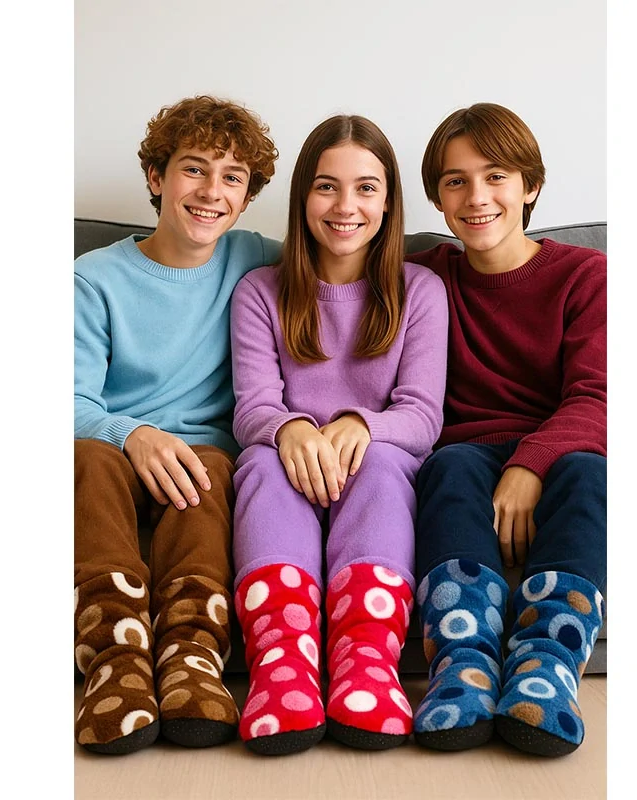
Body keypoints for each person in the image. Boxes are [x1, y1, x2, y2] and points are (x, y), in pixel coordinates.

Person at [229, 114, 449, 756]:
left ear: (389, 201)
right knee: (260, 465)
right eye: (327, 186)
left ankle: (367, 666)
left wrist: (360, 424)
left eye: (366, 188)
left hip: (377, 472)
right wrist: (290, 428)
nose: (345, 206)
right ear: (303, 196)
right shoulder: (260, 291)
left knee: (381, 463)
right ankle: (283, 667)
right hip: (287, 468)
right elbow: (253, 407)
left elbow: (421, 415)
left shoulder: (421, 290)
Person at [74, 95, 280, 755]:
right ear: (157, 176)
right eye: (194, 169)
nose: (211, 192)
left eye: (232, 177)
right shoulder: (93, 279)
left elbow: (344, 270)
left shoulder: (258, 260)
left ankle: (192, 656)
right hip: (113, 455)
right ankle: (116, 659)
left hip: (203, 464)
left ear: (246, 197)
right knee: (85, 458)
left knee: (214, 466)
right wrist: (132, 434)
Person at [408, 103, 606, 757]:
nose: (477, 197)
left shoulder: (586, 275)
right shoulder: (423, 277)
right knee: (448, 467)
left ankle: (546, 669)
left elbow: (600, 395)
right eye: (456, 181)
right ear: (438, 197)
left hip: (560, 451)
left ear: (531, 185)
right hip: (462, 453)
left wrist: (530, 463)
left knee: (591, 474)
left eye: (496, 176)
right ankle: (462, 666)